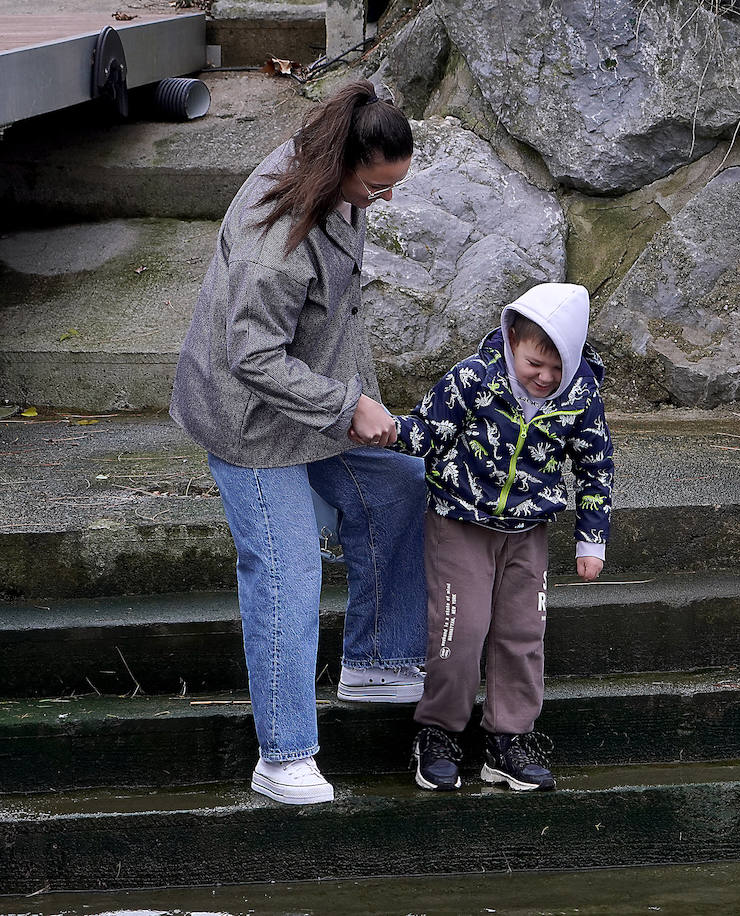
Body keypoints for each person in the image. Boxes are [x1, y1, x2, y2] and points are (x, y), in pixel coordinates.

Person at [169, 80, 428, 805]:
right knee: (287, 574)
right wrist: (351, 406)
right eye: (378, 188)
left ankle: (377, 661)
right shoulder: (272, 247)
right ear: (342, 164)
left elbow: (336, 313)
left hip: (311, 403)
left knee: (402, 484)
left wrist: (359, 407)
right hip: (247, 423)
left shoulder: (334, 179)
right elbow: (251, 357)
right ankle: (282, 757)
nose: (382, 201)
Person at [391, 282, 614, 793]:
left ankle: (509, 739)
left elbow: (595, 466)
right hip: (461, 523)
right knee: (461, 629)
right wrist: (386, 429)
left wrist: (591, 539)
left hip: (528, 532)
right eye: (537, 363)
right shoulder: (474, 379)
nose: (545, 378)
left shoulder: (580, 394)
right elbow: (429, 433)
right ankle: (439, 731)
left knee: (522, 633)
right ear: (512, 336)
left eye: (558, 369)